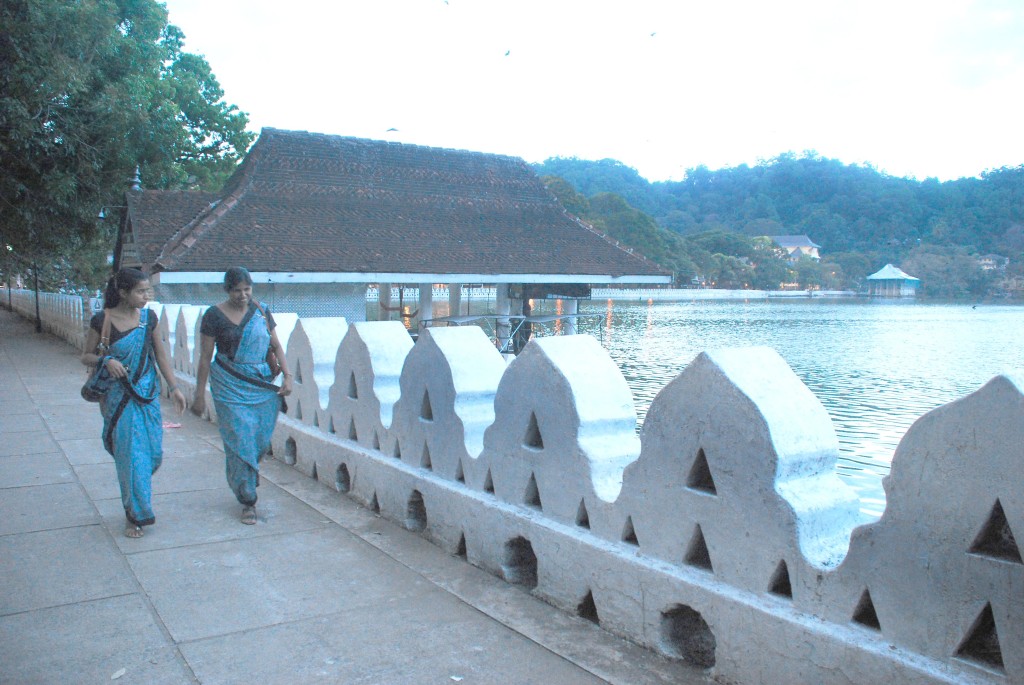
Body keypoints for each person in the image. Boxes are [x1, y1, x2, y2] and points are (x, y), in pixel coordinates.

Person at [81, 268, 186, 538]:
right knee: (131, 455)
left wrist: (174, 387)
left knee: (151, 453)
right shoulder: (101, 320)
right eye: (140, 291)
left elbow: (161, 354)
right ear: (123, 293)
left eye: (147, 290)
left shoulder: (148, 318)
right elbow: (86, 356)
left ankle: (137, 496)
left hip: (147, 394)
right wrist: (107, 360)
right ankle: (134, 515)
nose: (146, 296)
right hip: (119, 398)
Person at [191, 267, 292, 524]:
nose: (243, 295)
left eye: (247, 289)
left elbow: (276, 345)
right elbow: (205, 357)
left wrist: (288, 376)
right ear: (227, 290)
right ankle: (248, 500)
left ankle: (249, 470)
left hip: (260, 384)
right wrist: (199, 395)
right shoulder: (213, 316)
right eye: (237, 290)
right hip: (228, 383)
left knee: (258, 440)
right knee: (239, 437)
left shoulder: (261, 311)